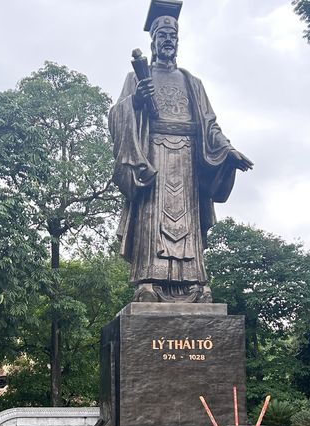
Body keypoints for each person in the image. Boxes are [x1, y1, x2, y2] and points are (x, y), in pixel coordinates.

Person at [109, 12, 253, 303]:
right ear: (153, 41)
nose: (168, 41)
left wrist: (227, 149)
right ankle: (148, 282)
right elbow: (116, 116)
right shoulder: (137, 77)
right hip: (154, 155)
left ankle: (196, 285)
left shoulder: (192, 82)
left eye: (173, 37)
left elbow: (210, 124)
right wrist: (136, 100)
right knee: (154, 218)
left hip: (187, 159)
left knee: (187, 224)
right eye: (163, 36)